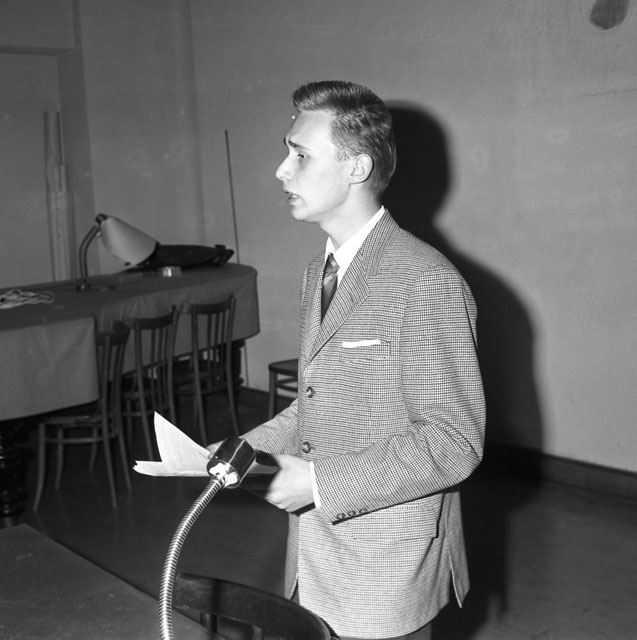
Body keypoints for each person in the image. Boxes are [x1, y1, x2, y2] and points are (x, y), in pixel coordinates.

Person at [212, 80, 485, 640]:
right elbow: (315, 404)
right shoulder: (320, 272)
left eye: (300, 155)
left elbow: (454, 443)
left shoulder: (425, 280)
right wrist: (245, 448)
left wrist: (319, 484)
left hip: (386, 564)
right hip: (315, 554)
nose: (281, 171)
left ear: (357, 168)